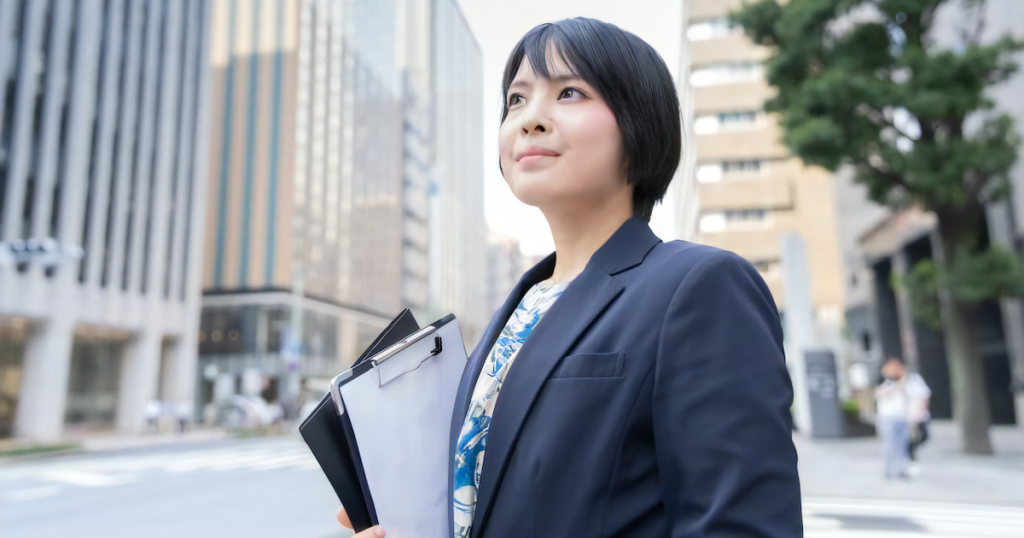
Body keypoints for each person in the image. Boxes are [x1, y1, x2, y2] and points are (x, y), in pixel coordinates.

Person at [338, 18, 801, 538]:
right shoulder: (510, 317)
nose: (529, 119)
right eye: (515, 100)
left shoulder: (701, 287)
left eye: (571, 91)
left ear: (638, 122)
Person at [874, 358, 931, 479]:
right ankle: (889, 471)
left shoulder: (911, 380)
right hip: (888, 418)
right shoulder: (887, 382)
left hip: (904, 418)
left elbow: (923, 395)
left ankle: (902, 469)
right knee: (889, 446)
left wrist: (918, 414)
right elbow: (880, 394)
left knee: (904, 445)